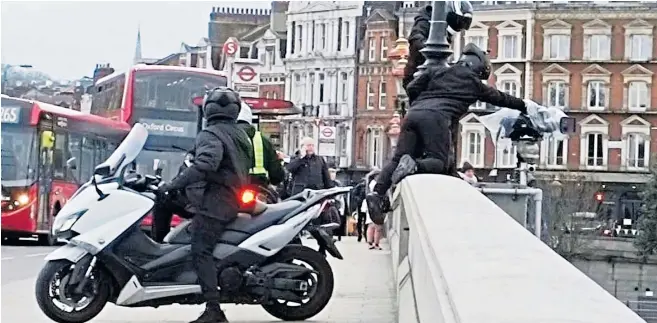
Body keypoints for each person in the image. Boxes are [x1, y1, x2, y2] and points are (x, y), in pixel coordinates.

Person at [366, 43, 531, 222]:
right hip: (437, 119)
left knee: (397, 158)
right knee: (439, 162)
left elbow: (412, 88)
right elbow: (501, 98)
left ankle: (377, 194)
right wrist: (525, 106)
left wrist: (420, 104)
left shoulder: (436, 70)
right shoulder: (474, 84)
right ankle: (415, 165)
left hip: (413, 115)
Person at [156, 87, 253, 323]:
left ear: (207, 109)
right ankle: (158, 256)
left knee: (200, 249)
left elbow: (206, 165)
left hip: (217, 201)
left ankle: (214, 309)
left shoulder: (210, 134)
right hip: (225, 196)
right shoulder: (240, 134)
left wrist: (174, 183)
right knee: (164, 201)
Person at [236, 103, 285, 191]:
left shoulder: (223, 138)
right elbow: (277, 176)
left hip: (230, 192)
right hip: (259, 191)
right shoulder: (264, 141)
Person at [151, 151, 196, 243]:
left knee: (161, 200)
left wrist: (168, 187)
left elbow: (182, 180)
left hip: (201, 206)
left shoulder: (199, 164)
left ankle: (158, 242)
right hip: (204, 203)